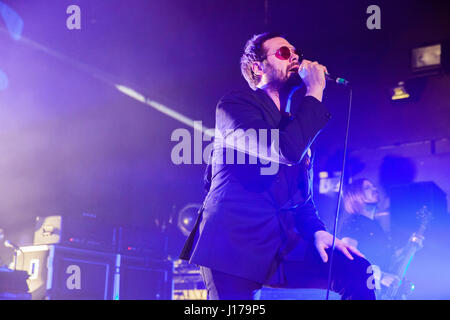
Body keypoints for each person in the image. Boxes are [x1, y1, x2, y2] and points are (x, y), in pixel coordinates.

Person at [180, 32, 376, 300]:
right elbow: (286, 150)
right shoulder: (235, 106)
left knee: (355, 271)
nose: (295, 57)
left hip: (279, 243)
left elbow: (302, 197)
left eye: (296, 53)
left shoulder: (298, 124)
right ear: (257, 67)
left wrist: (317, 230)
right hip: (232, 244)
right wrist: (315, 91)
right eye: (284, 53)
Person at [340, 178, 399, 291]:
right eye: (367, 187)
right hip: (362, 289)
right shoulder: (353, 222)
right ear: (355, 196)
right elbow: (348, 257)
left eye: (373, 186)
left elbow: (382, 256)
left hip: (379, 289)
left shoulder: (376, 225)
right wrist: (381, 276)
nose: (374, 189)